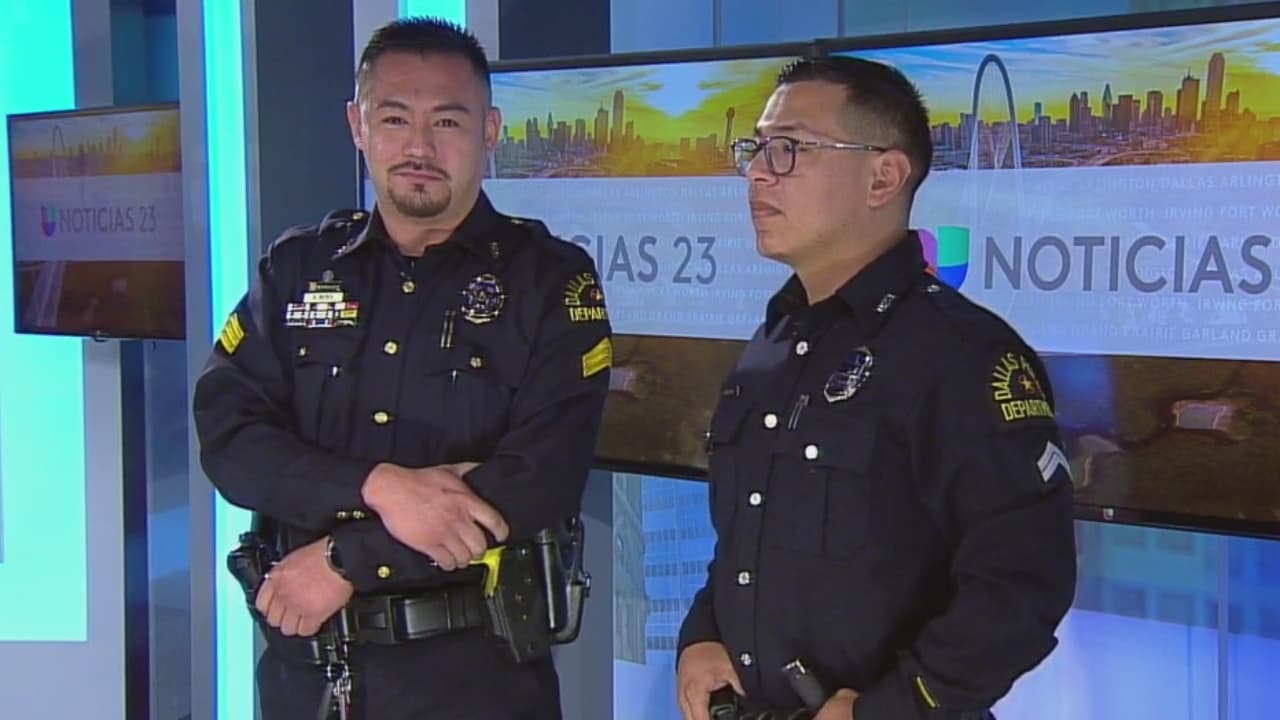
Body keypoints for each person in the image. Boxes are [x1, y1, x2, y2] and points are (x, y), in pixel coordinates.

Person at [193, 17, 612, 720]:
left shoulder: (550, 281)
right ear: (357, 126)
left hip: (475, 677)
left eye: (447, 121)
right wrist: (379, 486)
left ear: (490, 130)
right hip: (307, 673)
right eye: (394, 119)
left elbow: (540, 476)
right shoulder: (297, 269)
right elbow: (229, 437)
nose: (420, 147)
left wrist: (347, 559)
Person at [675, 56, 1077, 720]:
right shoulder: (774, 342)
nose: (757, 172)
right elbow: (750, 531)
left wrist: (894, 707)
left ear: (883, 177)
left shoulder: (960, 354)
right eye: (757, 148)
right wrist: (703, 632)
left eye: (790, 149)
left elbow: (1022, 582)